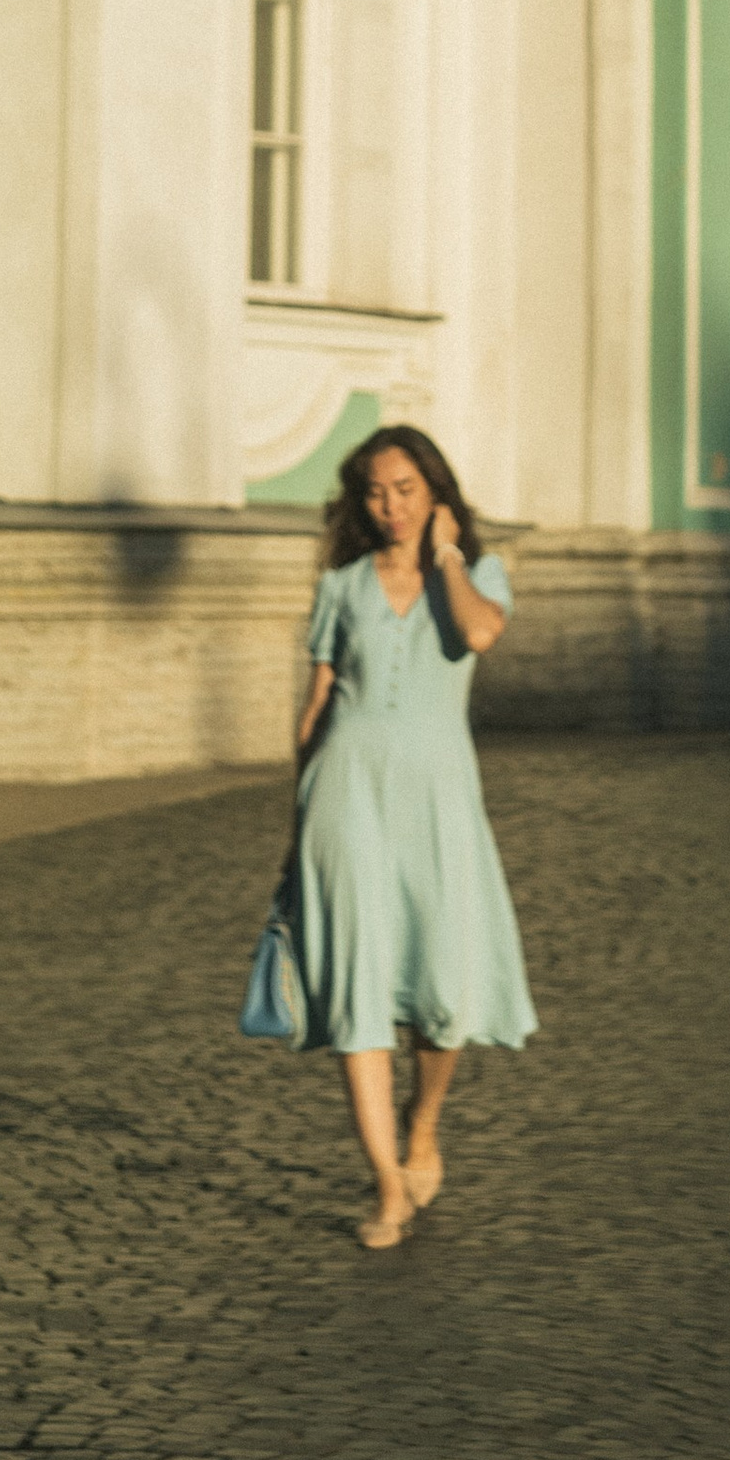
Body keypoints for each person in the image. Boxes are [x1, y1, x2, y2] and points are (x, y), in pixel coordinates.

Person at [270, 425, 536, 1247]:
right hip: (345, 793)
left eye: (406, 490)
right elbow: (316, 708)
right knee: (357, 984)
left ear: (436, 494)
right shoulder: (341, 586)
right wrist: (298, 828)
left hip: (438, 800)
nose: (389, 506)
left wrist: (447, 554)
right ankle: (387, 1183)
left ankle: (423, 1125)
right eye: (376, 493)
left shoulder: (478, 576)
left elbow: (479, 634)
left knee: (443, 994)